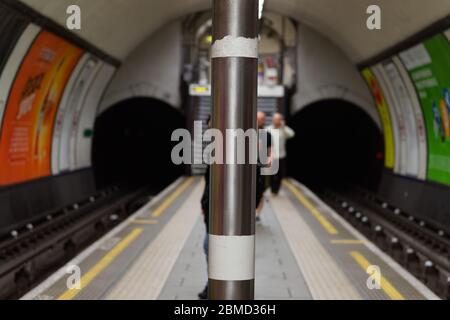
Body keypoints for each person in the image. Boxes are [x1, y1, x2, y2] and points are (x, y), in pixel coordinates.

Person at [267, 113, 295, 195]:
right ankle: (272, 189)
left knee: (279, 174)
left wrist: (283, 126)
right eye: (275, 119)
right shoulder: (268, 129)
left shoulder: (283, 130)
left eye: (278, 119)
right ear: (273, 120)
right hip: (272, 156)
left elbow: (292, 134)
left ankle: (276, 190)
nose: (276, 121)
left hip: (281, 155)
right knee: (272, 174)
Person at [256, 111, 272, 222]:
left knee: (261, 190)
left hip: (262, 165)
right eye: (259, 118)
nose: (261, 121)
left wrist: (270, 159)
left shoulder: (267, 134)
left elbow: (270, 150)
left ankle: (257, 213)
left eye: (262, 119)